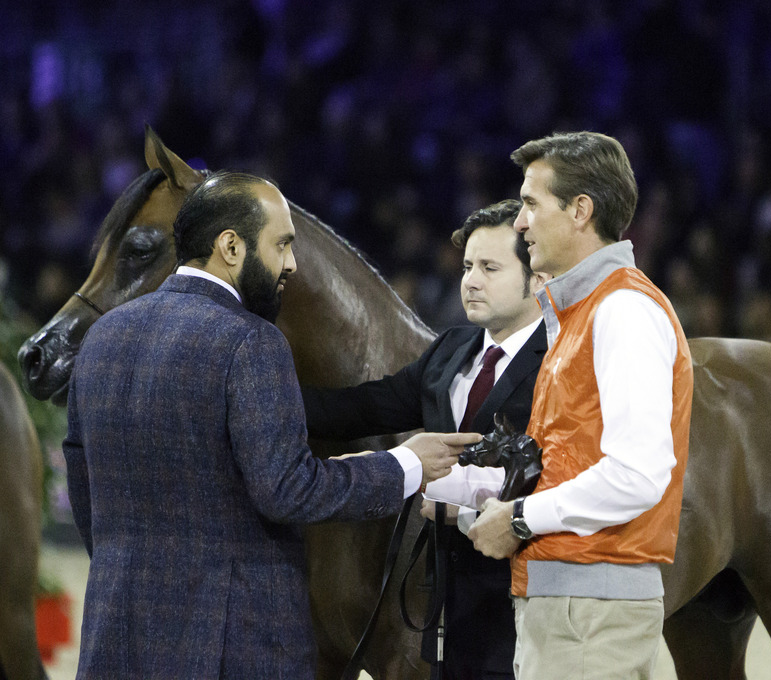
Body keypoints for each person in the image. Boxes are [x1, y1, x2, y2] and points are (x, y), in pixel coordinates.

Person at [62, 171, 478, 678]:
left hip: (115, 635)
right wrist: (404, 464)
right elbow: (287, 491)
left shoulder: (102, 339)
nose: (292, 264)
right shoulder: (251, 343)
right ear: (230, 247)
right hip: (235, 647)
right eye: (281, 244)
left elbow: (84, 487)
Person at [467, 132, 694, 680]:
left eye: (530, 204)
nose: (520, 223)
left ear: (580, 211)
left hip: (591, 615)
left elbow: (638, 476)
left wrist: (518, 519)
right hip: (573, 610)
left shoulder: (623, 310)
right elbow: (568, 463)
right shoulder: (587, 311)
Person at [301, 199, 547, 680]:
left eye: (490, 268)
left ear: (537, 277)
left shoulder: (560, 358)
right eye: (468, 266)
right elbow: (362, 408)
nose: (470, 281)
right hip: (442, 600)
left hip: (523, 599)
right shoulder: (450, 349)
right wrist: (259, 400)